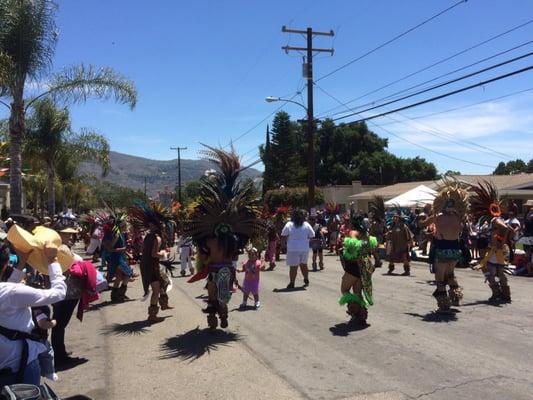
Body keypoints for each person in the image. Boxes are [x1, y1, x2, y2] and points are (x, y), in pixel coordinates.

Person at [184, 147, 265, 330]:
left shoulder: (212, 241)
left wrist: (204, 254)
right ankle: (220, 314)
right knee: (221, 295)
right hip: (226, 270)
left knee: (215, 294)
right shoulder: (233, 241)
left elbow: (204, 250)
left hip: (218, 270)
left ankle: (216, 315)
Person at [0, 242, 66, 386]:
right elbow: (58, 293)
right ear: (5, 264)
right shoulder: (11, 292)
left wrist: (22, 261)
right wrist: (53, 261)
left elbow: (9, 289)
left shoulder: (9, 292)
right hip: (19, 367)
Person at [423, 181, 468, 313]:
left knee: (440, 277)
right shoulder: (459, 217)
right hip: (455, 249)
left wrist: (424, 219)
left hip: (442, 248)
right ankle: (456, 297)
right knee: (450, 274)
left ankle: (444, 304)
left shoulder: (438, 217)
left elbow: (422, 224)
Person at [128, 201, 174, 323]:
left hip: (148, 265)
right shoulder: (157, 238)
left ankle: (164, 304)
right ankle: (152, 315)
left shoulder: (148, 236)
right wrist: (164, 253)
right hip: (152, 267)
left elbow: (143, 250)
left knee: (164, 281)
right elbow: (154, 254)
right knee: (155, 290)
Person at [338, 214, 377, 326]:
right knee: (357, 292)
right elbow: (372, 249)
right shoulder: (367, 235)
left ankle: (354, 310)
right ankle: (361, 315)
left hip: (354, 266)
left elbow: (354, 245)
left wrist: (348, 247)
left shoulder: (353, 233)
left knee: (344, 289)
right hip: (365, 266)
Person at [102, 216, 133, 302]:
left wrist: (128, 254)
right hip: (116, 258)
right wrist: (123, 249)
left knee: (119, 277)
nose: (126, 227)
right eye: (125, 225)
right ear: (121, 226)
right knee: (128, 274)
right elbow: (110, 249)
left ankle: (116, 295)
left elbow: (122, 247)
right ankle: (120, 293)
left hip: (120, 257)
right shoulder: (117, 234)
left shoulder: (121, 234)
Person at [281, 209, 315, 289]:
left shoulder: (289, 224)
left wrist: (283, 246)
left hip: (292, 248)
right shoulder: (306, 224)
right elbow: (312, 235)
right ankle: (306, 278)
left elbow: (283, 235)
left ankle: (292, 283)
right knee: (304, 264)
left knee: (293, 266)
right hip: (304, 248)